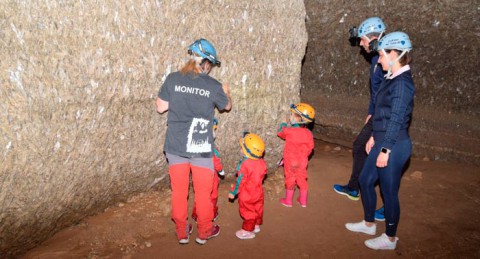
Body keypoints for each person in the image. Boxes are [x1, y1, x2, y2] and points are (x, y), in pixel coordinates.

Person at [156, 38, 232, 245]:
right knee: (203, 193)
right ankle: (205, 232)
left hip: (176, 145)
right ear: (207, 63)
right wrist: (226, 92)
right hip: (200, 146)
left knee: (179, 192)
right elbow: (226, 107)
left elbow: (160, 107)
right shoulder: (213, 85)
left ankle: (182, 232)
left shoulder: (172, 79)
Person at [345, 31, 415, 250]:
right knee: (365, 180)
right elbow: (382, 112)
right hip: (383, 140)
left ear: (394, 54)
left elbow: (396, 118)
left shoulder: (402, 84)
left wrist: (385, 148)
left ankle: (390, 238)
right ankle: (368, 223)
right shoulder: (391, 78)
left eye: (383, 55)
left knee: (388, 191)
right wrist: (374, 136)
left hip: (394, 145)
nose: (380, 60)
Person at [333, 16, 387, 221]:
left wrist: (376, 126)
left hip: (385, 118)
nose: (361, 44)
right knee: (359, 147)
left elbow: (388, 95)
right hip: (377, 114)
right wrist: (370, 111)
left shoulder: (386, 59)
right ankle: (354, 188)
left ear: (374, 38)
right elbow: (376, 92)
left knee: (383, 160)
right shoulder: (376, 58)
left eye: (363, 40)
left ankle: (384, 205)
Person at [228, 132, 267, 240]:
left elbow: (240, 181)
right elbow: (263, 173)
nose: (241, 149)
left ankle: (247, 231)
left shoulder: (245, 165)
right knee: (258, 208)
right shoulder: (262, 162)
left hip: (247, 194)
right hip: (258, 192)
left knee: (247, 212)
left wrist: (233, 192)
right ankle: (256, 225)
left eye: (242, 147)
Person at [277, 103, 315, 208]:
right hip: (303, 161)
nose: (290, 116)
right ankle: (303, 201)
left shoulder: (290, 131)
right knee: (302, 178)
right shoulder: (308, 133)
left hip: (290, 160)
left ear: (298, 119)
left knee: (290, 178)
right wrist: (304, 155)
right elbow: (311, 147)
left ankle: (288, 201)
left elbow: (280, 132)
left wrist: (283, 123)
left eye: (292, 115)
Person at [192, 118, 225, 222]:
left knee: (200, 195)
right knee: (212, 196)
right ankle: (211, 214)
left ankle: (196, 214)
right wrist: (220, 170)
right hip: (211, 176)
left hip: (198, 174)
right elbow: (216, 161)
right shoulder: (212, 149)